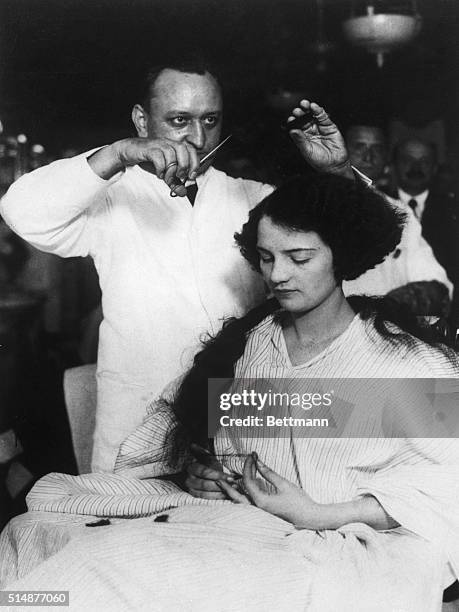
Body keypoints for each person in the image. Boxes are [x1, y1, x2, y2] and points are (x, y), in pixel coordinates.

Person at [2, 174, 459, 611]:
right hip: (237, 526)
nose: (277, 275)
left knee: (101, 573)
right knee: (34, 533)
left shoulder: (403, 360)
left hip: (338, 547)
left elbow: (446, 489)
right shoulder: (251, 345)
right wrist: (198, 472)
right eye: (265, 257)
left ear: (344, 257)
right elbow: (193, 443)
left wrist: (318, 514)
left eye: (299, 258)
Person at [0, 57, 354, 471]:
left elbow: (344, 245)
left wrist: (337, 172)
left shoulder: (252, 197)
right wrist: (117, 154)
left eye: (210, 120)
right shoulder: (111, 196)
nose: (198, 138)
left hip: (233, 424)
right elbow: (21, 211)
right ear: (141, 120)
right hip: (136, 423)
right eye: (179, 120)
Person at [345, 124, 452, 315]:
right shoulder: (313, 204)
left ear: (386, 159)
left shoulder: (399, 210)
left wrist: (412, 298)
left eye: (376, 148)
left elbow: (433, 278)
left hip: (385, 326)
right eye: (359, 147)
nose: (368, 157)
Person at [388, 137, 459, 324]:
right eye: (407, 160)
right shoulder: (379, 206)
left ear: (435, 168)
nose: (416, 167)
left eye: (424, 161)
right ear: (394, 165)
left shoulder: (452, 210)